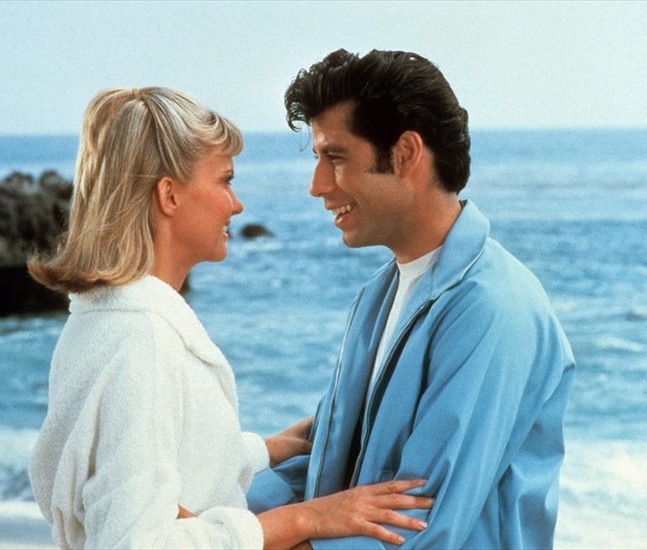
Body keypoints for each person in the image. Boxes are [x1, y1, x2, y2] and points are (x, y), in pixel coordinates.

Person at [27, 87, 433, 549]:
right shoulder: (142, 340)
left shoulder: (99, 320)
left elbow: (143, 463)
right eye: (225, 181)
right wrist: (307, 519)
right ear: (169, 195)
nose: (236, 204)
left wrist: (266, 449)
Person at [247, 50, 576, 548]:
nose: (317, 186)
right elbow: (325, 476)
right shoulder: (378, 297)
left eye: (335, 158)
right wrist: (205, 517)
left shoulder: (491, 308)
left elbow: (417, 525)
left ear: (404, 154)